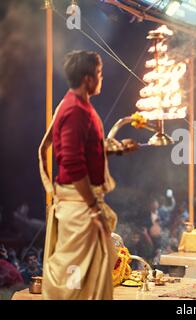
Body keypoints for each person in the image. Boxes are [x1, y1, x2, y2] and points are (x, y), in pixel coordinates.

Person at [38, 51, 138, 299]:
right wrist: (94, 208)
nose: (102, 78)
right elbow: (73, 164)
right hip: (80, 208)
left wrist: (116, 148)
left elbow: (89, 149)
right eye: (100, 73)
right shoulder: (74, 110)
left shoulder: (81, 107)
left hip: (83, 205)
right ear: (87, 79)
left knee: (89, 278)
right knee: (74, 279)